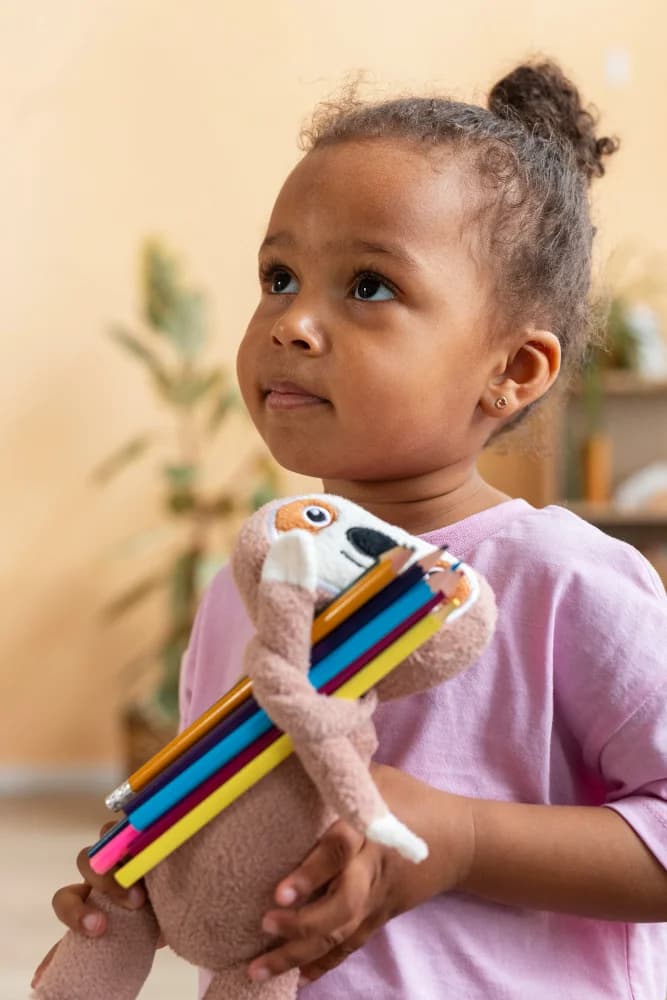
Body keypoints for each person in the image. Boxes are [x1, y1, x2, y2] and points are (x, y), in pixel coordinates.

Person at [33, 60, 667, 999]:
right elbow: (235, 838)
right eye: (278, 276)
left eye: (368, 286)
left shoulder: (564, 584)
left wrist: (462, 840)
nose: (291, 322)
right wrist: (144, 876)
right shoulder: (245, 591)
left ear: (514, 370)